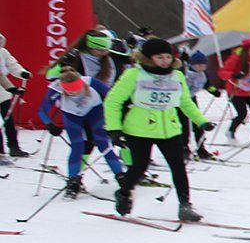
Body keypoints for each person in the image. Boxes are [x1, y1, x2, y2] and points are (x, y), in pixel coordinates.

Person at [104, 37, 212, 221]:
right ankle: (123, 193)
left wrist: (201, 121)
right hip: (139, 129)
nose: (165, 61)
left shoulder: (177, 76)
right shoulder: (134, 75)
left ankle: (185, 205)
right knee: (139, 166)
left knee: (178, 167)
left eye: (168, 57)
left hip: (169, 129)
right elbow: (113, 101)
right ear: (148, 58)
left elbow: (185, 102)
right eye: (159, 57)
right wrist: (114, 129)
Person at [36, 67, 126, 195]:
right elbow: (42, 110)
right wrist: (50, 124)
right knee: (77, 147)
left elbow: (112, 98)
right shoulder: (56, 88)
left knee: (103, 144)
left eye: (78, 89)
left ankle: (121, 176)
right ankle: (73, 181)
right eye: (71, 92)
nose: (76, 93)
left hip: (95, 111)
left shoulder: (90, 82)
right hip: (72, 116)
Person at [181, 50, 219, 161]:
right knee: (184, 126)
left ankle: (200, 148)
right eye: (199, 65)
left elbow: (208, 86)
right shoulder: (185, 73)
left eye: (204, 65)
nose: (202, 67)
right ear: (193, 64)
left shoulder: (203, 74)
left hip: (192, 100)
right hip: (181, 102)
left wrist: (214, 91)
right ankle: (184, 148)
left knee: (199, 124)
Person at [1, 32, 30, 161]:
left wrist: (22, 73)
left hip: (2, 93)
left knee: (8, 120)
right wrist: (11, 88)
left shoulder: (3, 52)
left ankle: (14, 147)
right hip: (4, 87)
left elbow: (12, 65)